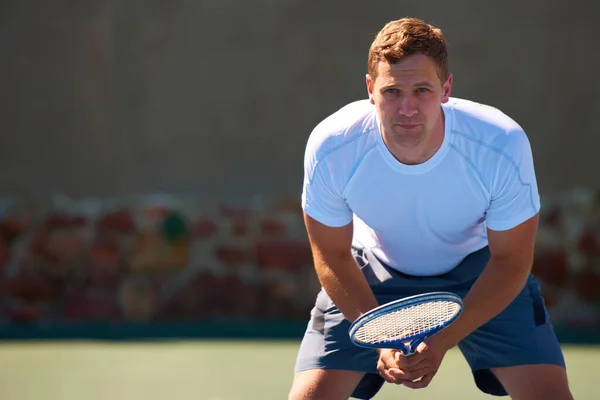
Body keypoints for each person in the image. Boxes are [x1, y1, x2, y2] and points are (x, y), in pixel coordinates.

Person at [288, 17, 573, 400]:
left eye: (422, 89)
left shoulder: (500, 144)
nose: (407, 107)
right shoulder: (331, 147)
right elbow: (332, 255)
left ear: (446, 90)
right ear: (371, 89)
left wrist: (439, 342)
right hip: (370, 275)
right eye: (392, 91)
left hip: (482, 273)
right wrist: (379, 337)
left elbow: (511, 261)